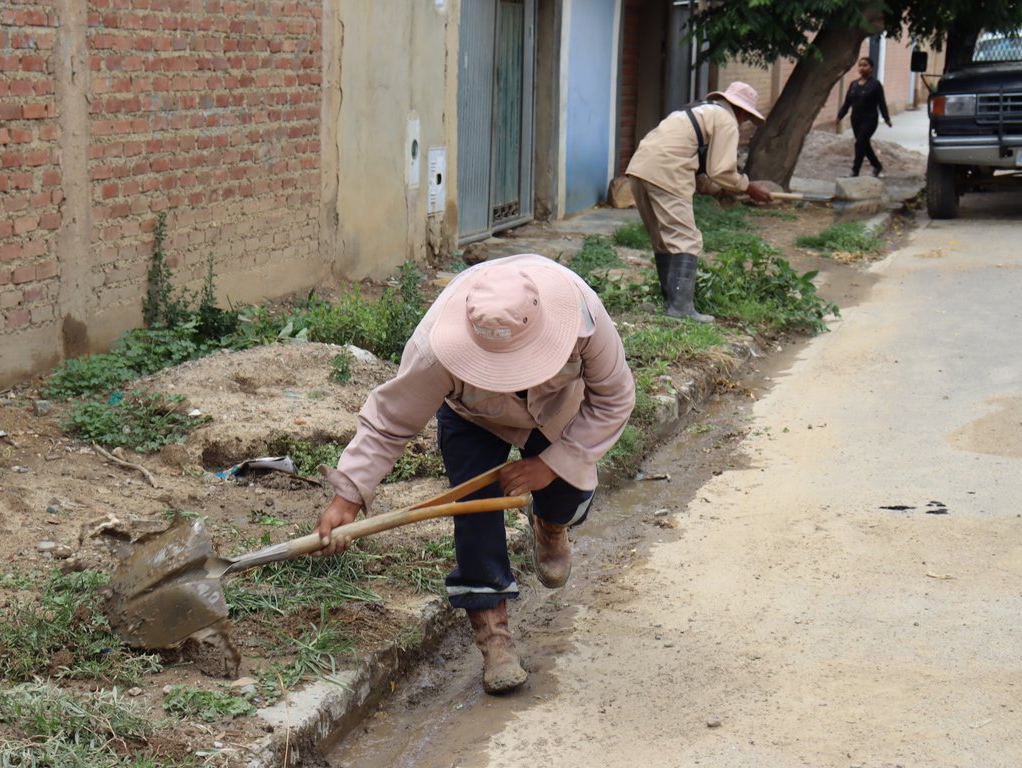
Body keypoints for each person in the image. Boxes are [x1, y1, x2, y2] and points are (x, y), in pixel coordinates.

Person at [312, 254, 635, 695]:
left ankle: (550, 524)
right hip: (473, 415)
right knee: (474, 515)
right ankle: (494, 637)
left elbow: (614, 398)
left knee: (565, 491)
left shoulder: (583, 317)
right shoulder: (435, 348)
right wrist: (347, 497)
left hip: (557, 408)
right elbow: (389, 422)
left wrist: (550, 465)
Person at [625, 81, 775, 324]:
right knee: (685, 239)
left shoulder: (699, 111)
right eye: (746, 117)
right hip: (668, 172)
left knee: (664, 239)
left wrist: (720, 192)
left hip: (640, 169)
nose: (743, 122)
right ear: (741, 110)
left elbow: (699, 171)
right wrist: (749, 187)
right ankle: (681, 309)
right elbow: (721, 170)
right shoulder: (726, 120)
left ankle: (671, 302)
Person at [838, 56, 892, 177]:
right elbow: (847, 103)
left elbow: (881, 103)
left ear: (871, 68)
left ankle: (855, 170)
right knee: (864, 145)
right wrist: (840, 116)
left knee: (859, 143)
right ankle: (877, 166)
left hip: (870, 119)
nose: (862, 68)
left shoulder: (875, 85)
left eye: (865, 65)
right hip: (856, 120)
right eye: (860, 65)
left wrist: (886, 118)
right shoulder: (853, 84)